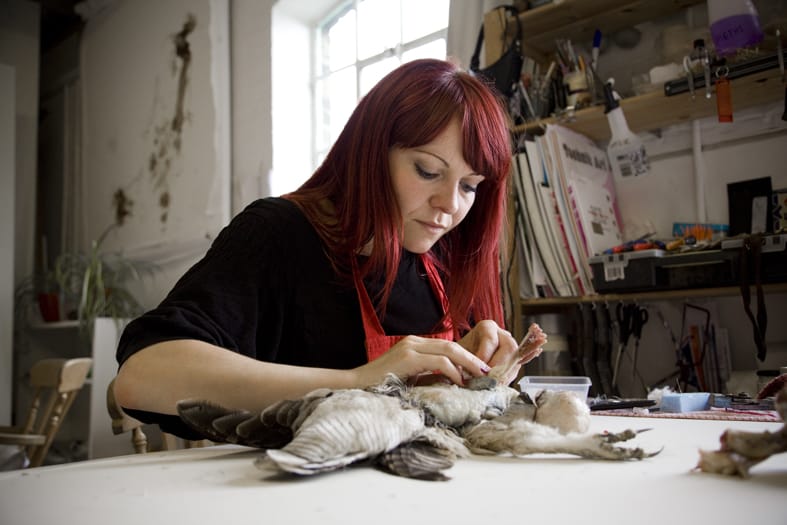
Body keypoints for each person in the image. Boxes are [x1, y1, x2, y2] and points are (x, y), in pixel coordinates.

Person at [114, 58, 544, 438]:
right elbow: (143, 374)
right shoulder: (278, 234)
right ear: (373, 152)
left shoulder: (443, 259)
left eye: (469, 186)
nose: (450, 205)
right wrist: (358, 380)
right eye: (428, 170)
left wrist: (468, 377)